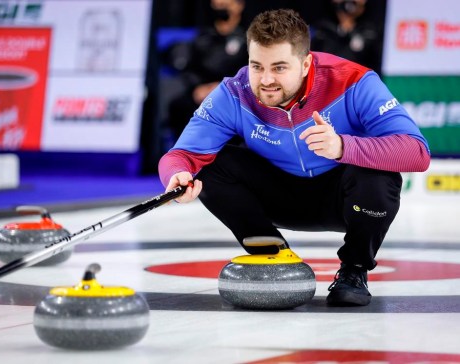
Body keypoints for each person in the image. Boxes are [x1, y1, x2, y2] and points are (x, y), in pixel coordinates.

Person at [158, 9, 430, 306]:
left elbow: (417, 152)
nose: (266, 80)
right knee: (209, 167)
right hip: (278, 196)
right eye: (256, 66)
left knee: (379, 175)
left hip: (342, 199)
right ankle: (273, 255)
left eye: (279, 68)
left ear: (305, 64)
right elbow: (182, 154)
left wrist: (342, 146)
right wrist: (177, 175)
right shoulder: (234, 92)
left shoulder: (355, 81)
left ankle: (354, 269)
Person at [164, 0, 248, 139]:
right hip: (202, 94)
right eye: (217, 5)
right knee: (179, 105)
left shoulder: (250, 39)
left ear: (239, 6)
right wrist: (196, 89)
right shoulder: (203, 38)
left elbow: (253, 72)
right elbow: (190, 70)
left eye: (225, 5)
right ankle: (185, 155)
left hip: (236, 96)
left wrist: (224, 88)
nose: (220, 9)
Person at [310, 0, 383, 74]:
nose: (350, 3)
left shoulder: (371, 32)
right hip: (327, 79)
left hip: (359, 81)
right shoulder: (321, 30)